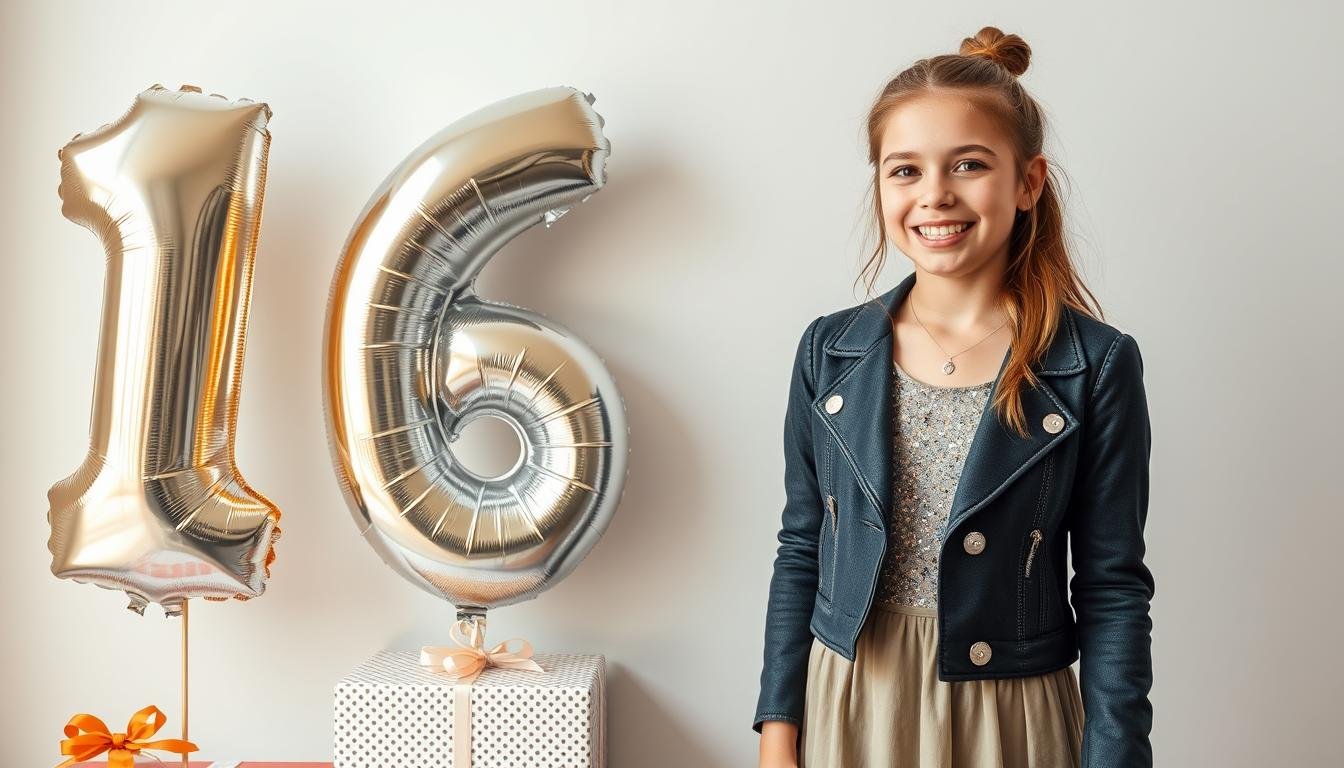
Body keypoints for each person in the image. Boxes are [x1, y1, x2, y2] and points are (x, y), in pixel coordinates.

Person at [753, 25, 1156, 768]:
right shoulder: (829, 352)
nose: (934, 194)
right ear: (879, 185)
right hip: (849, 701)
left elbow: (1112, 587)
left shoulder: (1094, 366)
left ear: (1028, 181)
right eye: (904, 170)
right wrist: (779, 726)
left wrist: (1118, 757)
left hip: (1009, 715)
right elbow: (802, 545)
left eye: (968, 164)